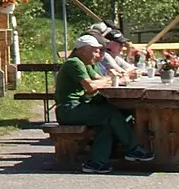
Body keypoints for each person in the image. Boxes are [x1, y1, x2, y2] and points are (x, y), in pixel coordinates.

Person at [55, 34, 155, 173]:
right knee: (110, 113)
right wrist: (110, 78)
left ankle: (97, 162)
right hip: (69, 110)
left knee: (106, 124)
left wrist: (114, 78)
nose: (98, 54)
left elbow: (99, 79)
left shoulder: (85, 63)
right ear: (84, 50)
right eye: (95, 50)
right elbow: (91, 87)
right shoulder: (74, 63)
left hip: (79, 107)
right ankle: (133, 149)